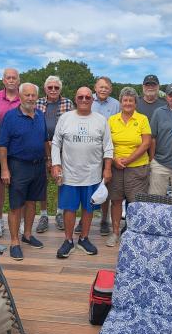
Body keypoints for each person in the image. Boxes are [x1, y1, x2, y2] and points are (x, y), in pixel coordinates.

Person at [51, 86, 113, 258]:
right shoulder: (65, 118)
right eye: (81, 97)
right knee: (69, 208)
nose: (84, 100)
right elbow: (56, 143)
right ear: (75, 99)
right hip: (69, 174)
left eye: (87, 97)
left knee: (88, 208)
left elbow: (108, 146)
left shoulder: (101, 120)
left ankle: (84, 238)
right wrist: (56, 164)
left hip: (92, 174)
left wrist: (107, 168)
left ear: (92, 100)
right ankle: (68, 240)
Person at [0, 83, 49, 261]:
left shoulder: (40, 115)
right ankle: (14, 242)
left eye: (33, 95)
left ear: (37, 97)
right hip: (18, 165)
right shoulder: (11, 117)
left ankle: (27, 234)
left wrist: (49, 160)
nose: (30, 98)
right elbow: (2, 145)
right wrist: (5, 169)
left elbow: (45, 140)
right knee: (16, 205)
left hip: (38, 165)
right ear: (20, 97)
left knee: (32, 202)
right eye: (27, 95)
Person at [107, 87, 151, 247]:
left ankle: (134, 234)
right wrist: (114, 160)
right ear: (120, 102)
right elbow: (106, 143)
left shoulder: (142, 119)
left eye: (131, 100)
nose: (127, 103)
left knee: (135, 202)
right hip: (116, 166)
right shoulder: (112, 120)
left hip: (137, 167)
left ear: (135, 103)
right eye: (125, 100)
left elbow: (146, 143)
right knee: (116, 200)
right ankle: (115, 232)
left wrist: (128, 160)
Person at [78, 76, 120, 236]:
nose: (103, 89)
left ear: (110, 90)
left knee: (105, 184)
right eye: (101, 87)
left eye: (106, 87)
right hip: (88, 150)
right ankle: (82, 220)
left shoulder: (116, 104)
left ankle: (104, 219)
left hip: (108, 150)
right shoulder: (87, 100)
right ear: (95, 88)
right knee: (85, 184)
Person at [35, 75, 74, 232]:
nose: (53, 90)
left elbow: (72, 125)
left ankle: (59, 213)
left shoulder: (67, 103)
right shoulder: (38, 103)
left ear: (60, 89)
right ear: (45, 89)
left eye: (56, 87)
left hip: (62, 148)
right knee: (42, 182)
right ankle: (43, 215)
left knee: (60, 180)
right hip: (40, 147)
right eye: (50, 87)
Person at [0, 68, 21, 238]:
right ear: (3, 80)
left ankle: (20, 220)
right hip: (0, 146)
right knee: (1, 183)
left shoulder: (23, 96)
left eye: (14, 78)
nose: (11, 80)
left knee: (20, 184)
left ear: (18, 80)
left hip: (19, 147)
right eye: (8, 77)